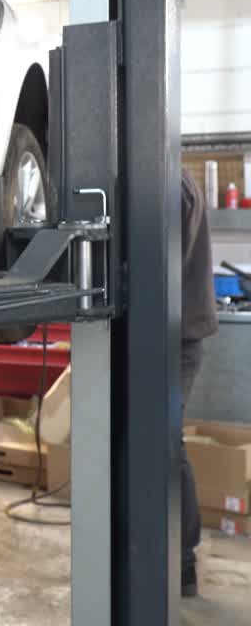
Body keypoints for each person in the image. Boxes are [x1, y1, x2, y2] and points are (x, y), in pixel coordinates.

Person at [180, 168, 218, 597]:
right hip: (170, 335)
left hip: (177, 341)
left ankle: (183, 561)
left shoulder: (172, 185)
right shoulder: (173, 178)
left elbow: (160, 265)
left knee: (164, 446)